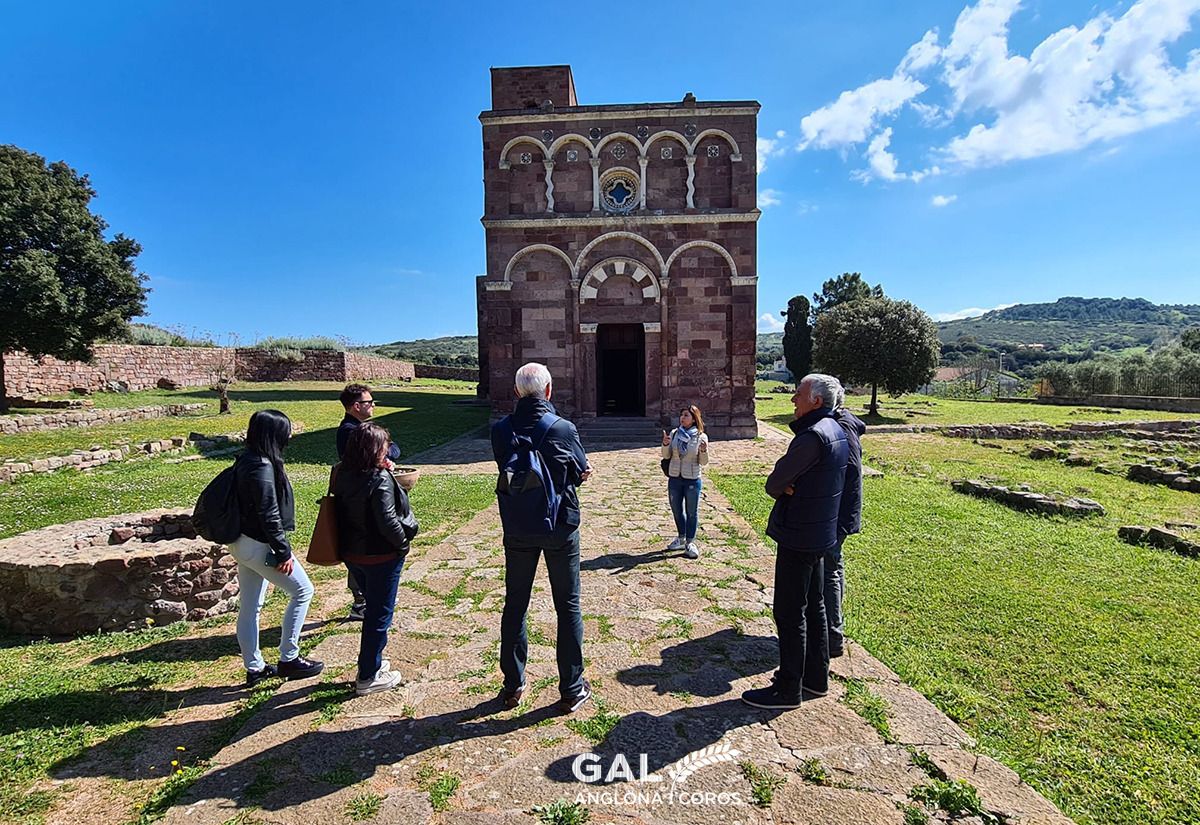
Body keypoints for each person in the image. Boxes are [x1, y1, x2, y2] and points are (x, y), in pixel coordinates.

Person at [491, 362, 593, 713]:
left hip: (518, 525)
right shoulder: (563, 428)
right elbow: (579, 471)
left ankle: (513, 684)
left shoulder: (501, 429)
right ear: (549, 391)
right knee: (567, 605)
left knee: (515, 604)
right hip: (559, 527)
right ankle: (571, 687)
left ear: (517, 391)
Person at [742, 374, 848, 710]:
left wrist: (786, 483)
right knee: (815, 604)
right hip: (820, 531)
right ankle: (815, 679)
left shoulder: (811, 437)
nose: (793, 400)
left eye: (798, 394)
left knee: (789, 611)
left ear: (816, 400)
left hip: (800, 531)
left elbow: (775, 482)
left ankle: (788, 688)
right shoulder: (836, 430)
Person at [230, 409, 324, 686]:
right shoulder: (261, 465)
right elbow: (268, 513)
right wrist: (283, 552)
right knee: (303, 591)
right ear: (273, 434)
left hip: (241, 543)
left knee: (250, 606)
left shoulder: (245, 460)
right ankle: (290, 658)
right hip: (259, 545)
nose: (290, 435)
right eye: (286, 430)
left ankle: (255, 668)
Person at [334, 422, 418, 696]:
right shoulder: (378, 479)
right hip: (380, 553)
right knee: (380, 614)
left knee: (372, 609)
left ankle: (374, 662)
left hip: (353, 552)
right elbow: (387, 519)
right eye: (383, 446)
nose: (387, 450)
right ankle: (368, 674)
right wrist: (402, 545)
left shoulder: (343, 474)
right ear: (373, 449)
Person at [336, 383, 402, 621]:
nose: (373, 405)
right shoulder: (349, 431)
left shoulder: (362, 429)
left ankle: (366, 597)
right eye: (369, 402)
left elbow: (394, 450)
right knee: (361, 545)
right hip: (359, 498)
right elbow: (389, 452)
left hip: (365, 494)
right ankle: (361, 600)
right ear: (356, 406)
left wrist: (385, 454)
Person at [828, 386, 866, 658]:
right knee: (829, 567)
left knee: (830, 568)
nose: (794, 399)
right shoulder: (837, 424)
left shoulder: (841, 428)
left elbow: (849, 470)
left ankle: (832, 632)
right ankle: (827, 627)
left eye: (801, 394)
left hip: (833, 513)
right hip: (831, 510)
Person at [661, 404, 709, 559]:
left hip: (692, 479)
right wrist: (666, 444)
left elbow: (703, 462)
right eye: (682, 415)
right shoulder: (674, 434)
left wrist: (703, 451)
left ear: (694, 419)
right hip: (675, 477)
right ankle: (681, 537)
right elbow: (666, 456)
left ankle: (690, 542)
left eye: (686, 415)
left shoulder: (701, 436)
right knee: (676, 509)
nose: (683, 418)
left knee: (691, 512)